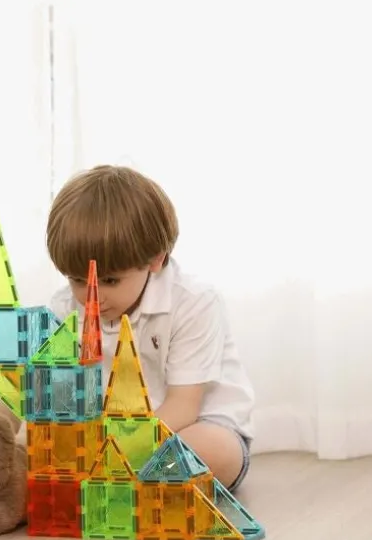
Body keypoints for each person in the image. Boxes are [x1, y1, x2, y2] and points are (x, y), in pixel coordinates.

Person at [45, 165, 255, 491]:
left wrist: (120, 448)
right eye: (77, 280)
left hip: (192, 424)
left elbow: (184, 405)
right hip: (106, 437)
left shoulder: (193, 301)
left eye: (110, 280)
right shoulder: (64, 309)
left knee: (212, 451)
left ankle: (130, 486)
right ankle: (128, 488)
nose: (92, 297)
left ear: (155, 260)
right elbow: (51, 392)